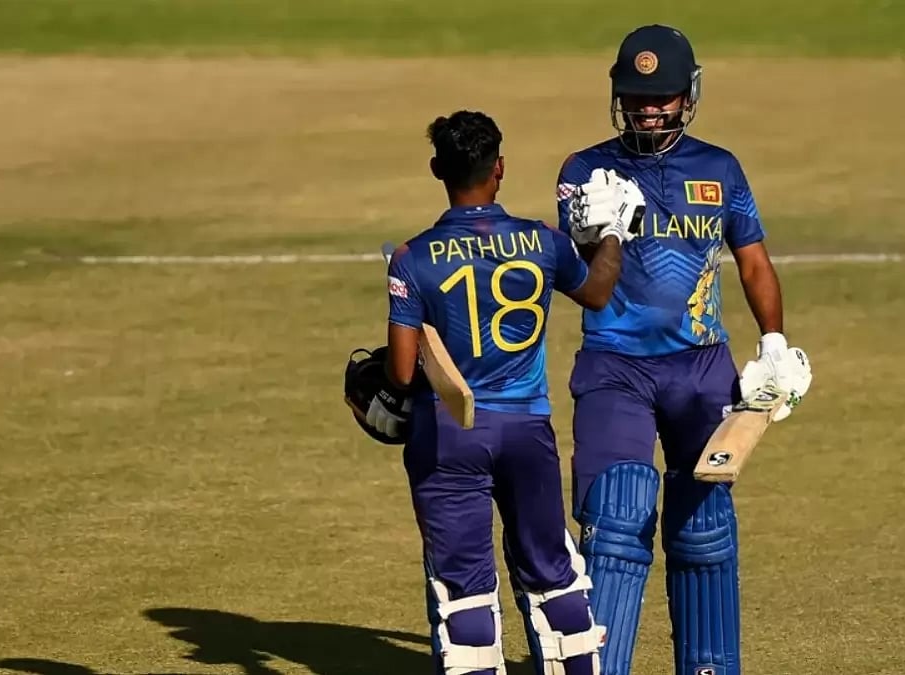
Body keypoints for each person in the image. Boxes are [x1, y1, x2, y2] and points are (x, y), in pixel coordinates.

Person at [553, 25, 815, 675]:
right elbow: (582, 275)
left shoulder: (720, 168)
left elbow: (753, 262)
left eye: (662, 95)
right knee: (616, 518)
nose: (648, 108)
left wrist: (776, 342)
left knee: (704, 527)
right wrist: (597, 229)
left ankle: (709, 666)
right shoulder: (586, 170)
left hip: (701, 367)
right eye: (637, 96)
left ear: (687, 94)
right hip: (615, 368)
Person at [345, 109, 638, 675]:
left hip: (450, 438)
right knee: (552, 571)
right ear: (499, 167)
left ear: (437, 169)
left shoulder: (413, 258)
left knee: (465, 589)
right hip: (529, 430)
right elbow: (599, 292)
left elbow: (403, 375)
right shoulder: (544, 241)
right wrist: (611, 234)